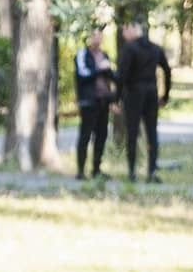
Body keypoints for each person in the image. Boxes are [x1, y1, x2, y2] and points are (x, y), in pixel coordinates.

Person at [117, 22, 172, 182]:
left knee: (132, 133)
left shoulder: (129, 48)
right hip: (151, 94)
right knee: (152, 133)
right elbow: (167, 70)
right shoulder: (155, 48)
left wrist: (116, 98)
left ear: (134, 29)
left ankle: (132, 172)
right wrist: (165, 95)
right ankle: (152, 171)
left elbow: (122, 75)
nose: (123, 34)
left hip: (133, 95)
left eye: (125, 30)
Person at [73, 29, 117, 179]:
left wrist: (114, 99)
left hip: (103, 102)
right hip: (89, 101)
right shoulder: (82, 55)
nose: (98, 40)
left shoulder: (105, 56)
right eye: (95, 36)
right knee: (85, 136)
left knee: (102, 136)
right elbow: (83, 75)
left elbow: (110, 78)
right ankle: (80, 171)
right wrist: (100, 69)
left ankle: (96, 169)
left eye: (100, 37)